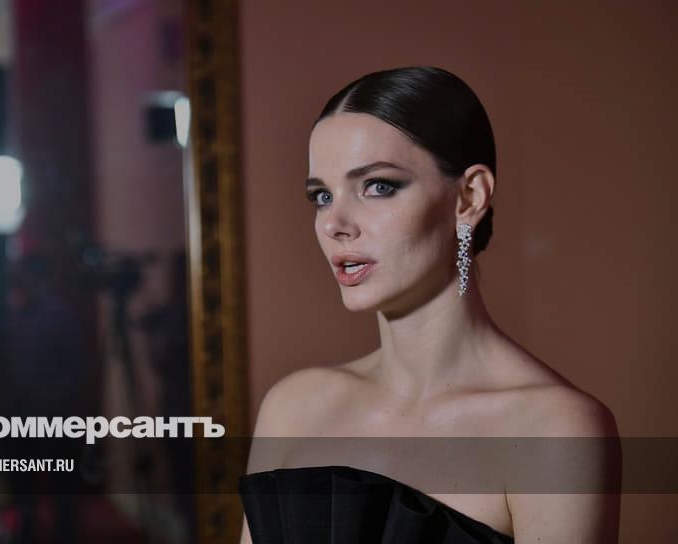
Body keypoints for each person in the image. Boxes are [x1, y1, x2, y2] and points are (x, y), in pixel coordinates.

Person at [238, 67, 621, 543]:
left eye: (377, 186)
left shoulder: (555, 431)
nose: (334, 223)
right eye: (322, 196)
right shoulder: (293, 407)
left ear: (469, 197)